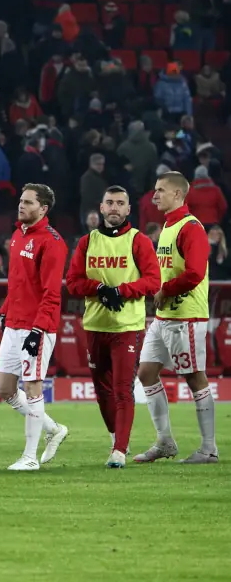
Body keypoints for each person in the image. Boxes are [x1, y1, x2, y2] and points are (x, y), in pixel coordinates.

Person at [66, 186, 161, 468]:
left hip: (127, 327)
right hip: (94, 325)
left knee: (122, 389)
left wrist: (120, 291)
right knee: (101, 390)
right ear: (101, 208)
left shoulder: (138, 241)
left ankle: (119, 450)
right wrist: (99, 288)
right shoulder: (86, 242)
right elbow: (72, 282)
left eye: (120, 203)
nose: (115, 208)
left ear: (129, 209)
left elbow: (153, 281)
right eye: (110, 203)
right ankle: (116, 438)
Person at [134, 171, 218, 464]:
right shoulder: (168, 227)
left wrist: (165, 289)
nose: (154, 195)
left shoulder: (191, 227)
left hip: (187, 316)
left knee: (195, 378)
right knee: (146, 373)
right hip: (164, 315)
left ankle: (209, 449)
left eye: (160, 190)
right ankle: (165, 442)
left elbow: (195, 273)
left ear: (178, 194)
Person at [0, 183, 70, 471]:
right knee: (5, 388)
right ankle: (54, 429)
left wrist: (38, 331)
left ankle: (29, 458)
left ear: (43, 208)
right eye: (21, 200)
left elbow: (52, 293)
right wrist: (4, 311)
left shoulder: (52, 242)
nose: (21, 205)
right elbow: (18, 283)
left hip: (36, 327)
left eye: (28, 202)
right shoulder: (18, 235)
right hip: (14, 322)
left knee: (33, 386)